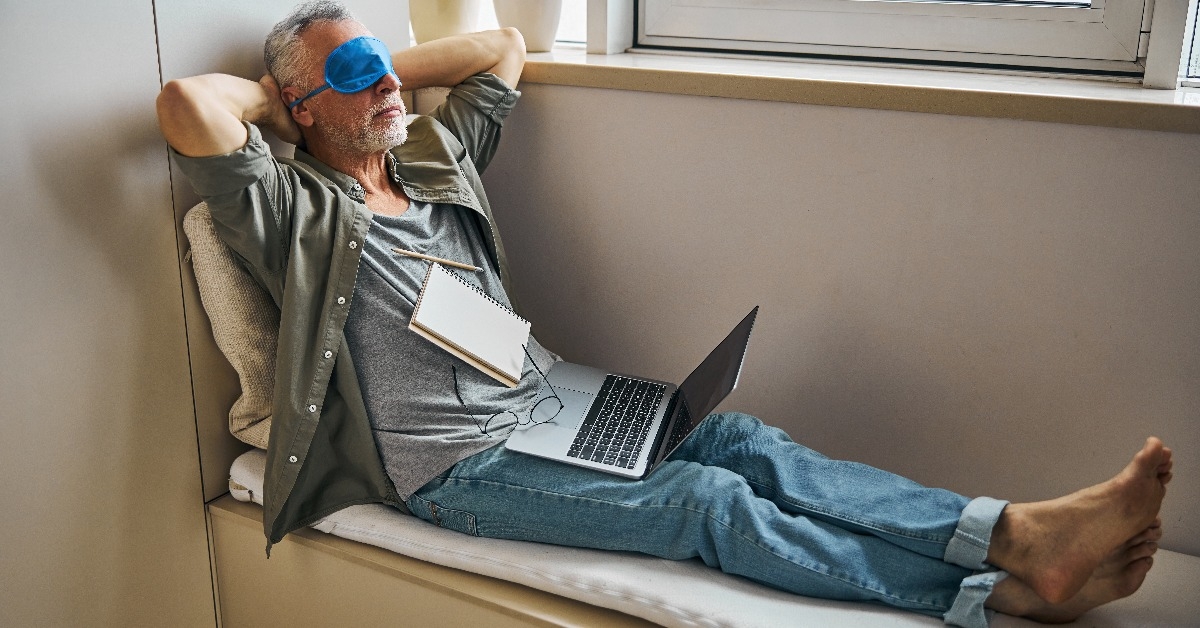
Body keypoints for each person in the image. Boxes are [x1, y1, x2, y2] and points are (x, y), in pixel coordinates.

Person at [156, 2, 1174, 626]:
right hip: (457, 468)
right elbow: (188, 109)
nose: (382, 83)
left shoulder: (427, 158)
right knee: (706, 506)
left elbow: (502, 48)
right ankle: (994, 593)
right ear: (298, 108)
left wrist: (371, 69)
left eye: (380, 63)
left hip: (545, 402)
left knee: (735, 438)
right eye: (350, 76)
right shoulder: (289, 207)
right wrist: (283, 90)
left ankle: (1011, 530)